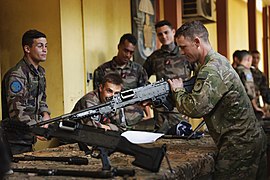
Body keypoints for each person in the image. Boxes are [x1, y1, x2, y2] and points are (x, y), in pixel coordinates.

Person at [168, 20, 267, 179]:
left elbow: (195, 108)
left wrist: (177, 91)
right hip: (248, 139)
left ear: (197, 42)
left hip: (239, 145)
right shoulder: (216, 61)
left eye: (183, 47)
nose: (181, 52)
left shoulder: (211, 69)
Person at [1, 29, 51, 155]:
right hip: (14, 141)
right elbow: (17, 111)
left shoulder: (40, 73)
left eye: (46, 46)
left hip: (28, 139)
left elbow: (42, 99)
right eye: (40, 46)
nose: (45, 49)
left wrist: (45, 115)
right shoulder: (17, 75)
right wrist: (37, 128)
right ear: (27, 49)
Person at [143, 20, 196, 133]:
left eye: (166, 32)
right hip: (160, 111)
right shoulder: (155, 57)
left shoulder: (184, 54)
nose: (163, 36)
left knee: (182, 141)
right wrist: (151, 92)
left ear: (173, 32)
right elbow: (142, 76)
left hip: (180, 107)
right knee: (160, 140)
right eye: (160, 34)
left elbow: (198, 77)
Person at [93, 33, 150, 127]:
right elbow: (98, 98)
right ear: (119, 47)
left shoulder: (139, 70)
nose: (128, 55)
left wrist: (148, 115)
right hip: (111, 122)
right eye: (125, 50)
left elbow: (144, 93)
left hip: (135, 121)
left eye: (131, 52)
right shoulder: (102, 70)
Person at [235, 50, 265, 118]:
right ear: (249, 59)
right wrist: (256, 107)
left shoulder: (234, 70)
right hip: (247, 108)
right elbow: (249, 90)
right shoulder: (246, 71)